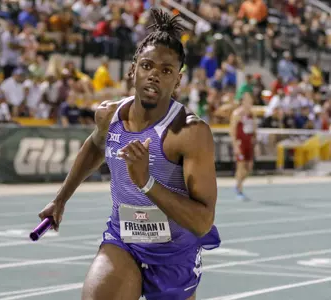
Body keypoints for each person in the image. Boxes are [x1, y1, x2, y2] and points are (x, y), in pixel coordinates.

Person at [38, 8, 221, 300]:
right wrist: (60, 199)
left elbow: (202, 222)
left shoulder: (190, 133)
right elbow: (95, 146)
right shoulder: (108, 115)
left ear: (178, 81)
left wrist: (147, 182)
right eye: (147, 66)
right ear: (133, 69)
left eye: (166, 71)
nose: (154, 76)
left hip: (175, 254)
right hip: (124, 240)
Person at [229, 92, 257, 201]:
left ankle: (238, 184)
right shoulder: (237, 114)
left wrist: (255, 142)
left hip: (249, 143)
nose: (249, 102)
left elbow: (254, 129)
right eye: (247, 99)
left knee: (249, 167)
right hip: (240, 143)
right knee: (240, 166)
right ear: (243, 101)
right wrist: (235, 145)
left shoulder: (251, 114)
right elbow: (232, 130)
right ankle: (239, 189)